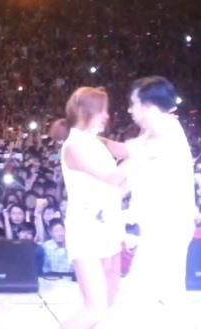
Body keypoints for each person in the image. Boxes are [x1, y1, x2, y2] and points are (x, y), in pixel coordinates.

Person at [101, 77, 197, 328]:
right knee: (169, 296)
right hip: (161, 226)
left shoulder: (167, 130)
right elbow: (126, 171)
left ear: (149, 105)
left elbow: (123, 157)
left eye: (134, 103)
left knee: (135, 297)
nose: (130, 109)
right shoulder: (152, 134)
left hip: (168, 226)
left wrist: (85, 136)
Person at [58, 87, 127, 329]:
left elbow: (127, 155)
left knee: (107, 307)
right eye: (101, 110)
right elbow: (112, 178)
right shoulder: (73, 146)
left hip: (109, 227)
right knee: (94, 308)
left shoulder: (97, 142)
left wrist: (155, 131)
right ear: (83, 111)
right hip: (86, 230)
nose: (107, 115)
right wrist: (139, 161)